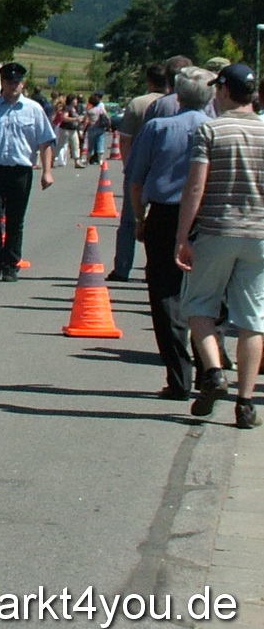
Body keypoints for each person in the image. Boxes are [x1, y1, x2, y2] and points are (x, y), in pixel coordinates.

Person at [174, 63, 264, 429]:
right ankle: (246, 403)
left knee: (198, 305)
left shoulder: (210, 130)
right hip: (259, 235)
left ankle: (213, 371)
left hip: (216, 229)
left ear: (224, 90)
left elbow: (196, 186)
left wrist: (183, 236)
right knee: (252, 319)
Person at [124, 67, 214, 398]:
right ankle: (209, 368)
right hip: (206, 215)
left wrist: (139, 217)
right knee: (207, 292)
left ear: (177, 95)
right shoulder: (214, 128)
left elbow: (136, 180)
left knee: (165, 293)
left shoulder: (157, 128)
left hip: (164, 213)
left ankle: (178, 377)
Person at [0, 62, 57, 282]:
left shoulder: (33, 109)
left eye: (17, 82)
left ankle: (10, 265)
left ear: (22, 84)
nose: (13, 85)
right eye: (9, 82)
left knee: (15, 220)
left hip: (21, 172)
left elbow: (45, 142)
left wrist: (47, 171)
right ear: (3, 84)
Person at [110, 63, 171, 281]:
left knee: (130, 220)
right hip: (164, 170)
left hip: (138, 167)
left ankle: (122, 267)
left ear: (148, 81)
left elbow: (125, 139)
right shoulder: (174, 103)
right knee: (161, 221)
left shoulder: (138, 103)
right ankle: (154, 267)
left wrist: (128, 166)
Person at [83, 93, 111, 165]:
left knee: (90, 145)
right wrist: (108, 126)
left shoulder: (89, 111)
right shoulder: (101, 109)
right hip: (100, 128)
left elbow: (86, 121)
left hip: (91, 128)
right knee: (100, 143)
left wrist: (83, 130)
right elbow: (107, 117)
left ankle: (87, 161)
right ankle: (100, 160)